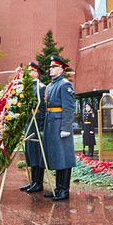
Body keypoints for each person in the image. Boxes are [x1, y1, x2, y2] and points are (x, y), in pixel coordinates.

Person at [42, 56, 77, 201]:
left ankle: (64, 190)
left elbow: (68, 108)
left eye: (53, 67)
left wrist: (66, 128)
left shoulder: (64, 85)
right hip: (51, 124)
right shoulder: (50, 86)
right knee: (57, 157)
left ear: (61, 69)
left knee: (64, 157)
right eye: (50, 67)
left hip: (60, 125)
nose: (50, 69)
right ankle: (58, 188)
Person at [19, 62, 47, 193]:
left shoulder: (41, 88)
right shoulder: (27, 87)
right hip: (29, 123)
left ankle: (38, 183)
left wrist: (41, 128)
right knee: (30, 153)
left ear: (37, 73)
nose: (28, 73)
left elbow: (43, 109)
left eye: (31, 71)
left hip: (36, 124)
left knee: (37, 153)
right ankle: (32, 182)